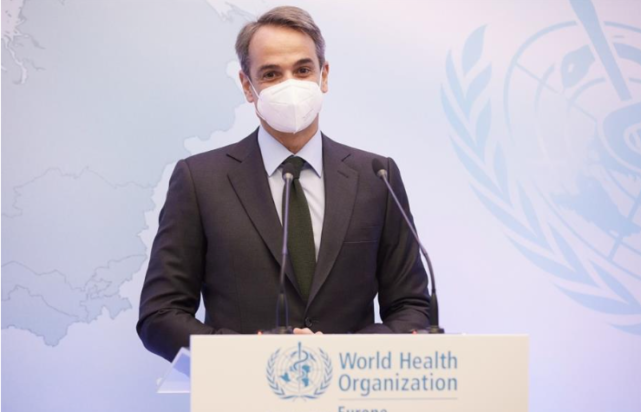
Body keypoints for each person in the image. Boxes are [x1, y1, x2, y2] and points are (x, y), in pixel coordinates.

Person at [137, 6, 430, 362]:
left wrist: (343, 353)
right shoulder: (200, 181)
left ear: (323, 76)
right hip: (243, 387)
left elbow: (412, 307)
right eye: (271, 74)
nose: (290, 85)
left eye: (303, 70)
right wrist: (252, 355)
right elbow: (160, 315)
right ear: (247, 86)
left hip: (350, 385)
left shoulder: (376, 176)